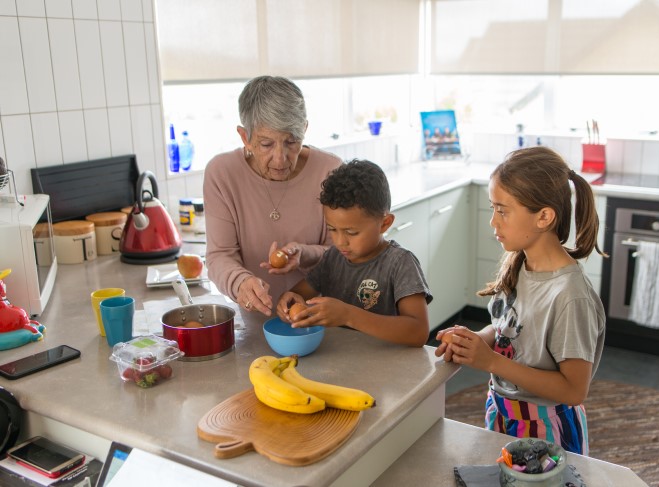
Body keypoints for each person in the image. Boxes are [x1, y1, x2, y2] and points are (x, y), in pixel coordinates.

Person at [435, 146, 606, 455]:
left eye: (502, 210)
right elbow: (510, 329)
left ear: (544, 217)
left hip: (548, 429)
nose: (493, 222)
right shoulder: (519, 263)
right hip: (503, 411)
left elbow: (573, 389)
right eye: (493, 208)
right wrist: (477, 340)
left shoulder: (570, 296)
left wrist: (491, 362)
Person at [204, 76, 342, 316]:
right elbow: (219, 256)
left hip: (320, 318)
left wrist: (304, 254)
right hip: (253, 320)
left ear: (305, 130)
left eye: (292, 141)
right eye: (266, 144)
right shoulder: (222, 173)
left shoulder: (330, 171)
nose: (281, 158)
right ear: (244, 137)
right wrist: (240, 283)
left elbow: (343, 254)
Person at [275, 159, 432, 347]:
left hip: (387, 367)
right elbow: (299, 294)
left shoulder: (400, 263)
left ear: (385, 223)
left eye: (351, 232)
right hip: (340, 362)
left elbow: (418, 332)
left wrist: (348, 316)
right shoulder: (333, 258)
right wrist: (290, 301)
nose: (340, 241)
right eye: (332, 229)